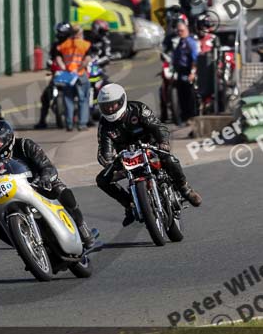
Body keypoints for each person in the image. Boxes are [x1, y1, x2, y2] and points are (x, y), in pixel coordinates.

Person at [95, 83, 202, 226]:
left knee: (170, 160)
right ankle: (129, 204)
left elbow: (158, 126)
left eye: (113, 105)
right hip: (126, 158)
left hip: (151, 149)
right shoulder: (104, 124)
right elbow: (104, 149)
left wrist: (162, 142)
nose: (109, 109)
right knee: (102, 179)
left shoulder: (138, 109)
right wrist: (108, 161)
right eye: (106, 106)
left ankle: (185, 189)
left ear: (121, 101)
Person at [0, 119, 96, 248]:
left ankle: (83, 229)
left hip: (38, 185)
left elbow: (47, 166)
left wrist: (45, 177)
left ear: (7, 138)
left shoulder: (24, 145)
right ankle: (24, 247)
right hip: (10, 196)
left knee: (61, 190)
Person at [35, 21, 72, 129]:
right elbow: (52, 57)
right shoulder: (55, 45)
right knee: (45, 97)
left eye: (60, 32)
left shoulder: (72, 44)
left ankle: (86, 119)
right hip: (58, 73)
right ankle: (42, 121)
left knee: (81, 93)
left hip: (72, 73)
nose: (58, 34)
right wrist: (50, 63)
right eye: (58, 32)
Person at [55, 24, 91, 131]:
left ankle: (69, 124)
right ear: (80, 33)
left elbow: (58, 57)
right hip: (80, 74)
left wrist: (64, 68)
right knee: (83, 99)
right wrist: (80, 68)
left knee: (68, 99)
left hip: (68, 75)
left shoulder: (64, 45)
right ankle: (82, 124)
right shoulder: (85, 44)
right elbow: (87, 59)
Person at [172, 18, 199, 125]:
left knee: (189, 96)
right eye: (178, 31)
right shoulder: (180, 42)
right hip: (180, 72)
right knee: (181, 96)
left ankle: (191, 117)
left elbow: (194, 59)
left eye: (182, 31)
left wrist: (192, 72)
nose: (180, 33)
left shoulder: (190, 42)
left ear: (187, 30)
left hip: (188, 72)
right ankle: (184, 117)